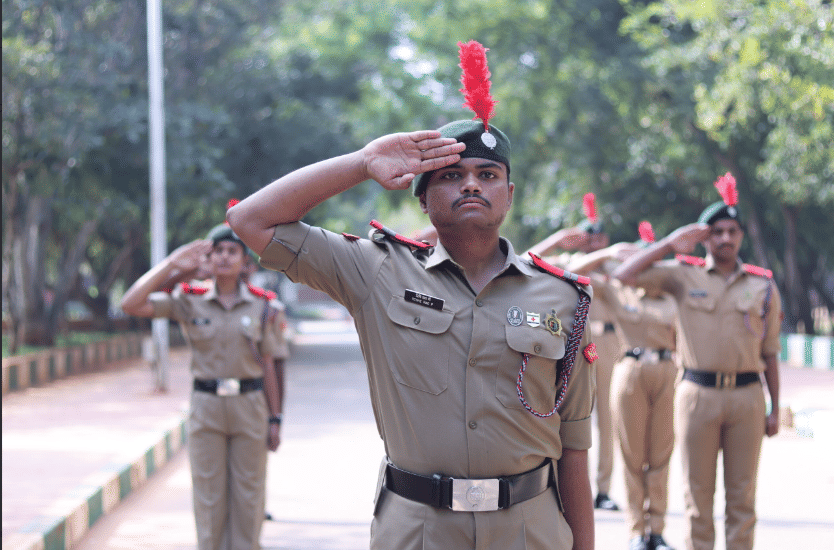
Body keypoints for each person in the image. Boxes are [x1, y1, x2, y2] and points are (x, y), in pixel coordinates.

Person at [227, 40, 595, 550]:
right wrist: (362, 162)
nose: (471, 186)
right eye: (451, 176)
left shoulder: (564, 299)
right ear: (422, 199)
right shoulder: (375, 270)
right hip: (419, 531)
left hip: (529, 530)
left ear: (508, 195)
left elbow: (574, 450)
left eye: (488, 175)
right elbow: (250, 220)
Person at [612, 174, 782, 550]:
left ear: (741, 236)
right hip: (696, 394)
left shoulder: (763, 286)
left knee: (742, 497)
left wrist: (774, 408)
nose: (725, 238)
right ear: (706, 237)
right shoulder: (681, 275)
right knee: (697, 497)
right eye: (717, 231)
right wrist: (671, 243)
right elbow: (625, 274)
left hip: (747, 396)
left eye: (732, 231)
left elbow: (770, 352)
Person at [121, 222, 288, 550]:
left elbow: (269, 365)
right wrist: (172, 264)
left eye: (232, 251)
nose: (224, 257)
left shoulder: (262, 305)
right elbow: (131, 303)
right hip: (206, 407)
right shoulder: (188, 300)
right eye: (217, 251)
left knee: (249, 496)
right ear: (207, 261)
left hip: (250, 404)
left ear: (244, 261)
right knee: (209, 498)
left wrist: (276, 418)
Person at [571, 223, 677, 550]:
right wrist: (608, 253)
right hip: (629, 368)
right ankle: (636, 531)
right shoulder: (618, 289)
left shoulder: (676, 291)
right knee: (632, 454)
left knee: (660, 454)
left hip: (667, 370)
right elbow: (572, 272)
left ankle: (656, 529)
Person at [531, 194, 622, 512]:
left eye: (600, 237)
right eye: (589, 237)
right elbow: (534, 260)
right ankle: (560, 480)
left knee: (607, 418)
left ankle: (604, 487)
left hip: (606, 346)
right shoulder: (571, 263)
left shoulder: (614, 264)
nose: (595, 243)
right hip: (579, 345)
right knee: (567, 413)